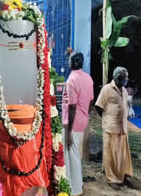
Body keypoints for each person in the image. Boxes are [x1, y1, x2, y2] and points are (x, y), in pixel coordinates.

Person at [95, 66, 133, 190]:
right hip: (111, 126)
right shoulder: (106, 89)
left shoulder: (125, 90)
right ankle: (111, 178)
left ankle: (123, 175)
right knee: (111, 154)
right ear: (118, 78)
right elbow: (98, 106)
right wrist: (106, 118)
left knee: (122, 155)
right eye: (125, 77)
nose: (127, 79)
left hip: (122, 128)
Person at [62, 52, 94, 196]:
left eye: (69, 60)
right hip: (82, 121)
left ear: (73, 63)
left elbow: (72, 107)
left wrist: (68, 132)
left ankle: (75, 188)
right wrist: (85, 114)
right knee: (75, 153)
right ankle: (75, 184)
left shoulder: (71, 80)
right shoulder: (88, 78)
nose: (68, 62)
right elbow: (91, 101)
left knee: (71, 155)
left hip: (71, 123)